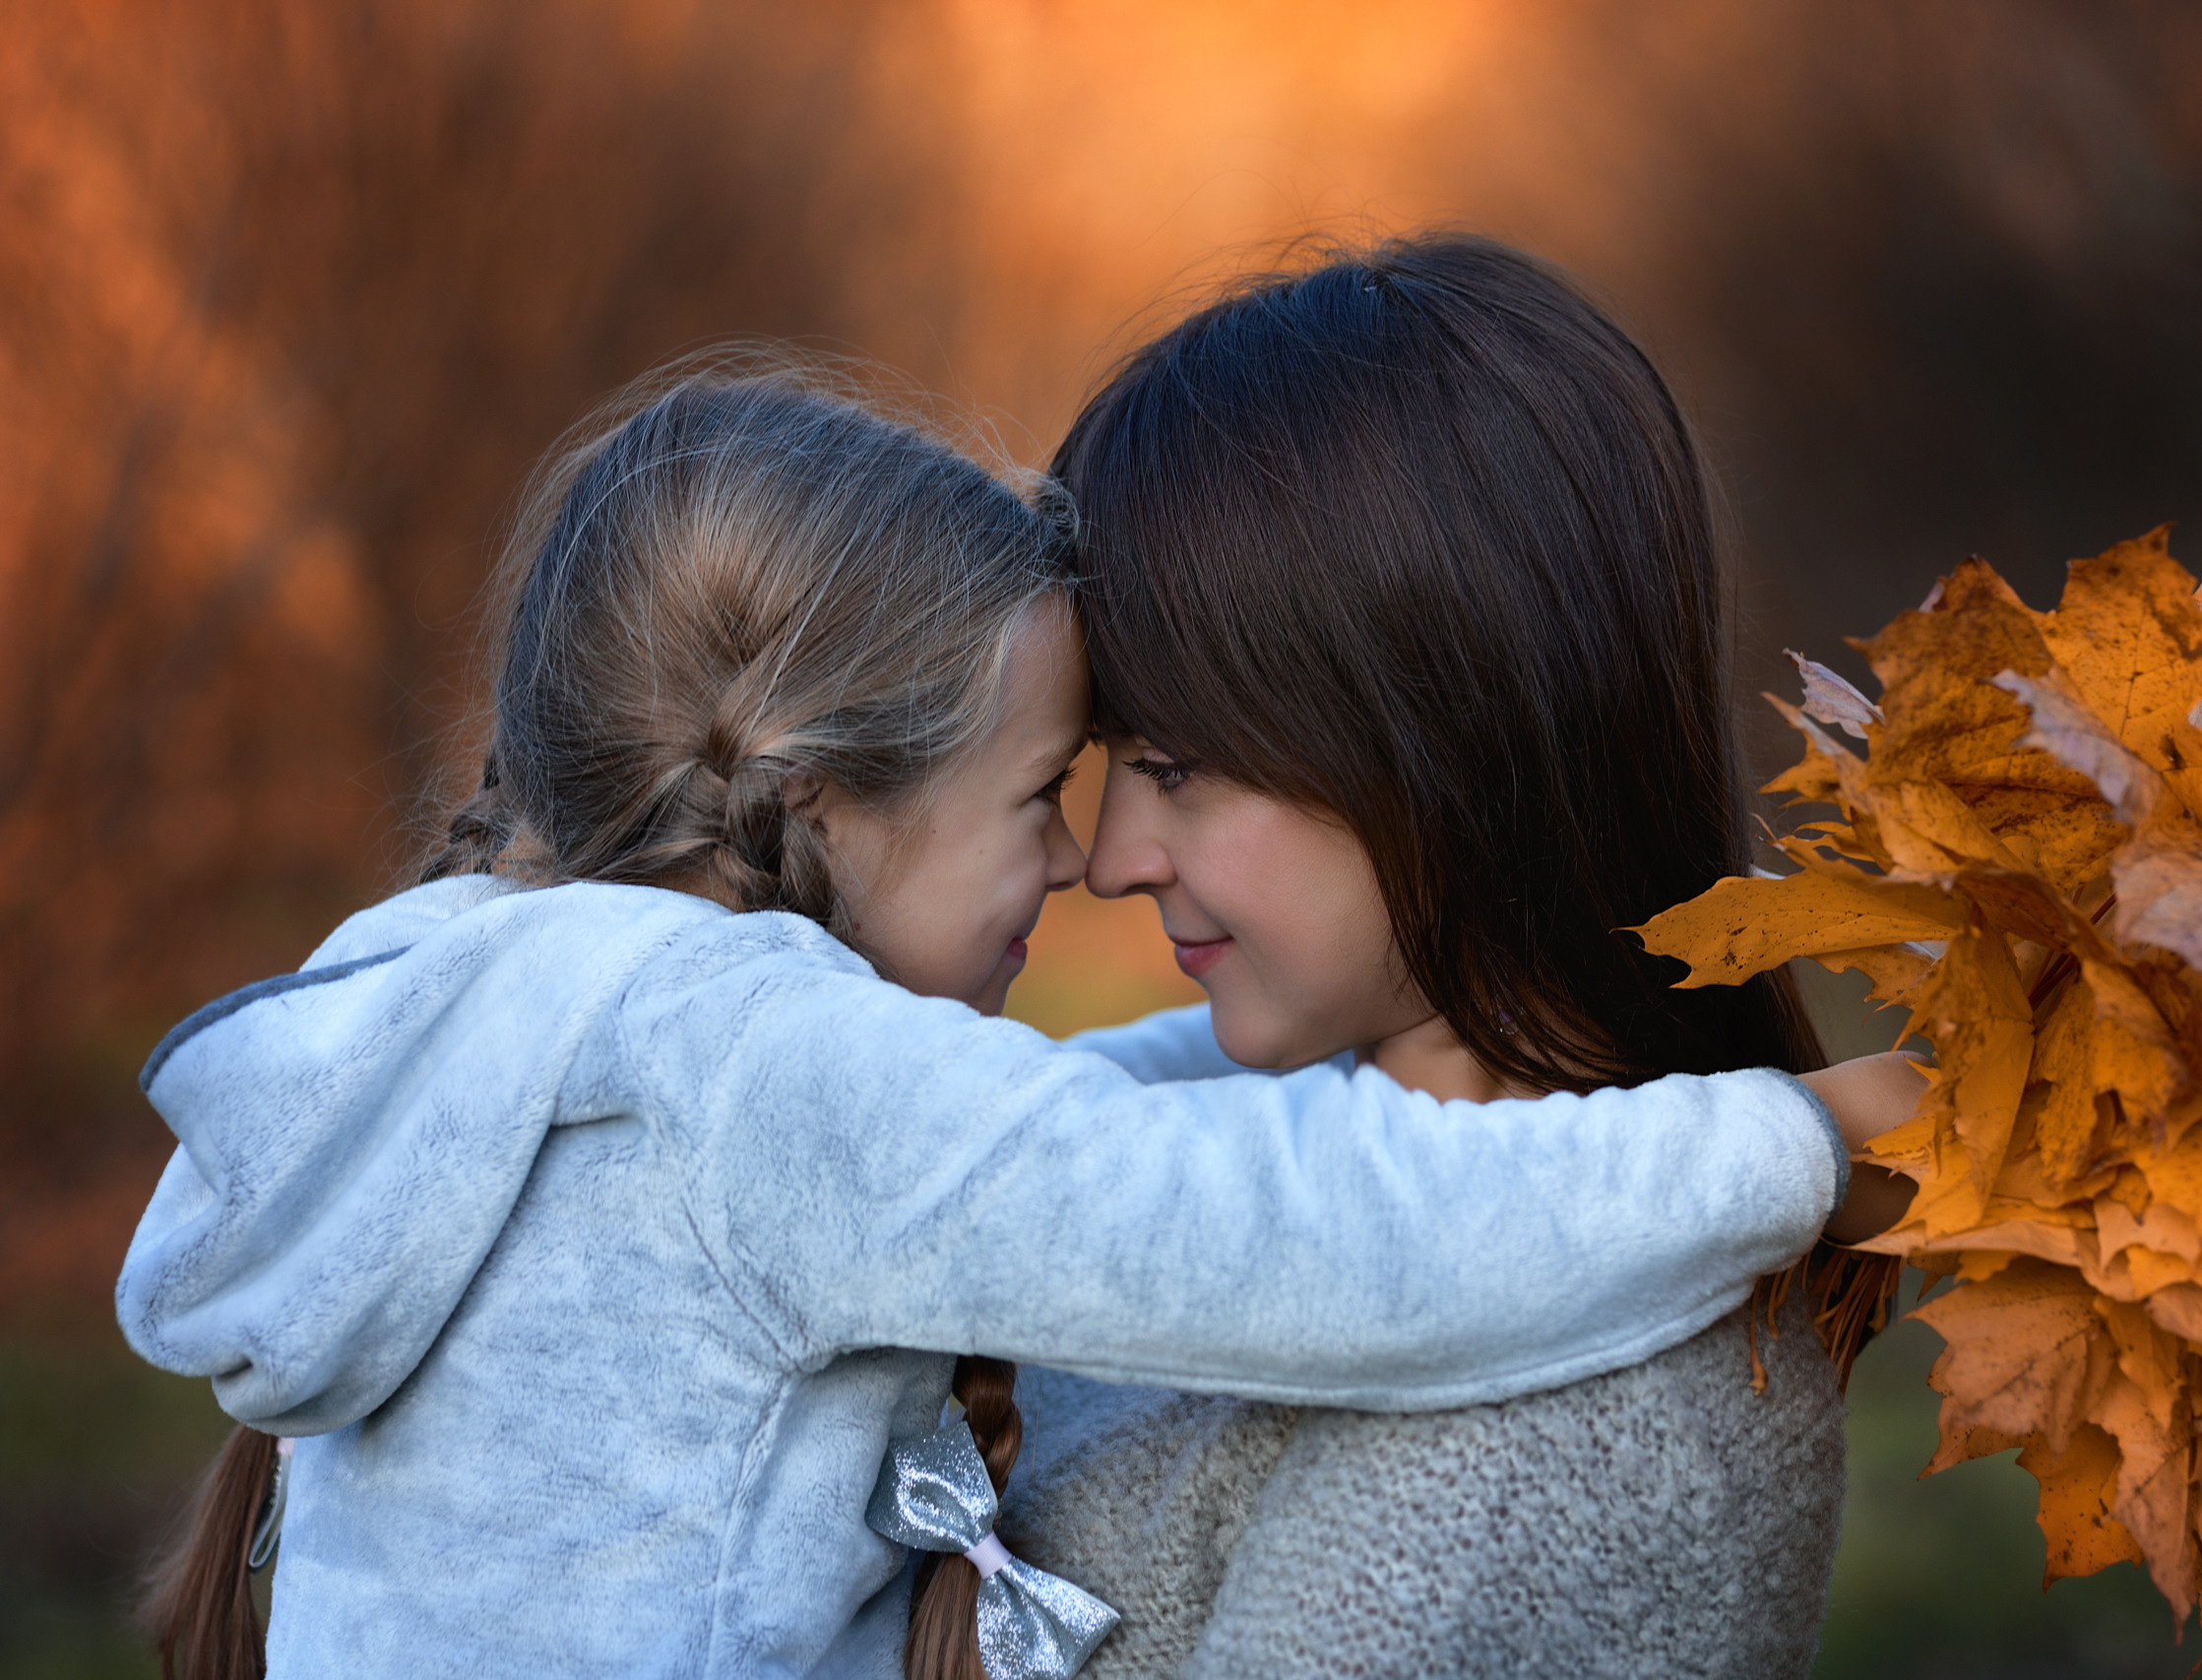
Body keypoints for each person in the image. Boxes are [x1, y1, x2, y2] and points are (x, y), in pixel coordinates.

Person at [118, 354, 1910, 1680]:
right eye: (1045, 790)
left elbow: (1075, 1131)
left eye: (1168, 771)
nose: (1087, 859)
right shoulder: (776, 1082)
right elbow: (1271, 1239)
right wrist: (1801, 1139)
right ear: (820, 806)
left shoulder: (490, 1008)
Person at [991, 234, 1919, 1678]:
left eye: (1174, 766)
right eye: (1114, 759)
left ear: (1443, 737)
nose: (1110, 859)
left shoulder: (1550, 1421)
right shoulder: (1291, 1140)